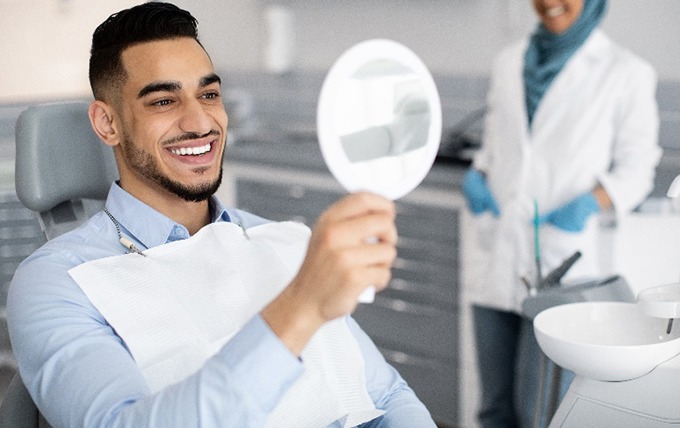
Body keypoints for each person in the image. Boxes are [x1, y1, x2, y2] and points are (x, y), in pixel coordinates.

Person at [6, 3, 437, 427]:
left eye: (209, 94)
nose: (200, 122)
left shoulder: (283, 242)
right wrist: (301, 305)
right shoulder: (57, 282)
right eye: (162, 101)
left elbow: (386, 395)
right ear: (107, 124)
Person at [462, 0, 661, 427]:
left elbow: (637, 168)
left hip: (563, 267)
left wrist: (593, 200)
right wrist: (478, 174)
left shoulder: (626, 72)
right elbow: (498, 146)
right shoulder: (508, 62)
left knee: (542, 414)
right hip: (498, 253)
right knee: (493, 410)